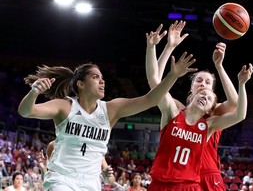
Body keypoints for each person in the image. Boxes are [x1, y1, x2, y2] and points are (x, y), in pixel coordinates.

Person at [18, 60, 195, 191]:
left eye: (102, 78)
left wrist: (173, 75)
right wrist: (34, 93)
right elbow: (26, 111)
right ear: (81, 84)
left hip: (91, 182)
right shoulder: (65, 106)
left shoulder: (111, 109)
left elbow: (151, 99)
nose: (102, 81)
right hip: (61, 179)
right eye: (95, 77)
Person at [145, 22, 253, 190]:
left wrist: (223, 69)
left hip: (203, 176)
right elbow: (155, 83)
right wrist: (166, 48)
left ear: (213, 100)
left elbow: (237, 107)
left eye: (208, 83)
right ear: (192, 90)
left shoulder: (213, 117)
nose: (203, 86)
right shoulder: (175, 110)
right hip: (166, 179)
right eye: (199, 82)